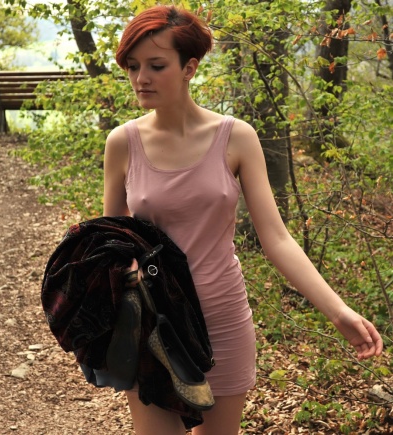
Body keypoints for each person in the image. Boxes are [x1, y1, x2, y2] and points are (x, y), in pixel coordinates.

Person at [102, 5, 383, 435]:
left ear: (189, 68)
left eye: (156, 66)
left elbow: (277, 239)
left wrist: (338, 310)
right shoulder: (123, 143)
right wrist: (125, 276)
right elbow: (111, 243)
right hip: (153, 323)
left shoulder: (236, 138)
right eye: (133, 66)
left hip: (222, 318)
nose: (141, 78)